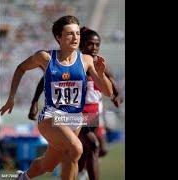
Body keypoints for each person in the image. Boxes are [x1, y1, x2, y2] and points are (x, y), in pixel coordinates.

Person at [0, 15, 113, 180]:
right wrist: (11, 98)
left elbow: (108, 92)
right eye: (69, 34)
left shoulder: (86, 60)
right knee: (76, 149)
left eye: (77, 34)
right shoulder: (45, 57)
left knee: (48, 164)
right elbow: (20, 68)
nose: (75, 38)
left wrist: (101, 75)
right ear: (58, 37)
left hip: (75, 120)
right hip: (51, 117)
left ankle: (23, 177)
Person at [27, 27, 123, 180]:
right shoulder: (74, 63)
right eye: (90, 44)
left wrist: (116, 96)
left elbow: (114, 90)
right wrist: (34, 101)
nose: (94, 48)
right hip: (75, 114)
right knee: (92, 146)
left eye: (97, 45)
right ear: (81, 46)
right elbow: (45, 79)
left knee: (100, 149)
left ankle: (78, 171)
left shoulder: (99, 64)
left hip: (95, 115)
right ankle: (77, 172)